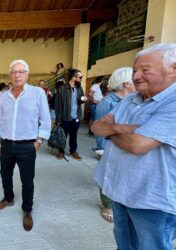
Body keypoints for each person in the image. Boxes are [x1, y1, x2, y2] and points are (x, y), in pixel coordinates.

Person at [92, 43, 176, 249]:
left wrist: (111, 130)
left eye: (145, 70)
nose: (136, 76)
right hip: (122, 191)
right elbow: (96, 126)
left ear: (173, 68)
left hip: (151, 200)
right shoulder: (130, 100)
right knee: (126, 244)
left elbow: (137, 145)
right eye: (135, 70)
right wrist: (122, 129)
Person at [0, 59, 51, 231]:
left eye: (21, 71)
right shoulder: (3, 96)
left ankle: (27, 210)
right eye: (13, 72)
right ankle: (8, 198)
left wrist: (38, 142)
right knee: (5, 174)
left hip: (28, 145)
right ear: (10, 75)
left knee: (27, 180)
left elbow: (46, 121)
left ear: (27, 74)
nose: (17, 75)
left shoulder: (37, 93)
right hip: (6, 144)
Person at [93, 67, 135, 223]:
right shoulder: (107, 102)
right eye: (134, 79)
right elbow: (99, 128)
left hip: (127, 146)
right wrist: (101, 149)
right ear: (126, 83)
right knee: (107, 175)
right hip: (110, 146)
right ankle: (107, 205)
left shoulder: (134, 100)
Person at [55, 68, 87, 160]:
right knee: (63, 135)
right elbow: (58, 105)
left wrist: (83, 100)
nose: (81, 79)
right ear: (73, 77)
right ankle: (61, 151)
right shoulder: (62, 88)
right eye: (80, 77)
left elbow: (80, 101)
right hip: (65, 117)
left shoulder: (79, 88)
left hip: (76, 117)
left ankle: (73, 151)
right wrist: (58, 119)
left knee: (74, 135)